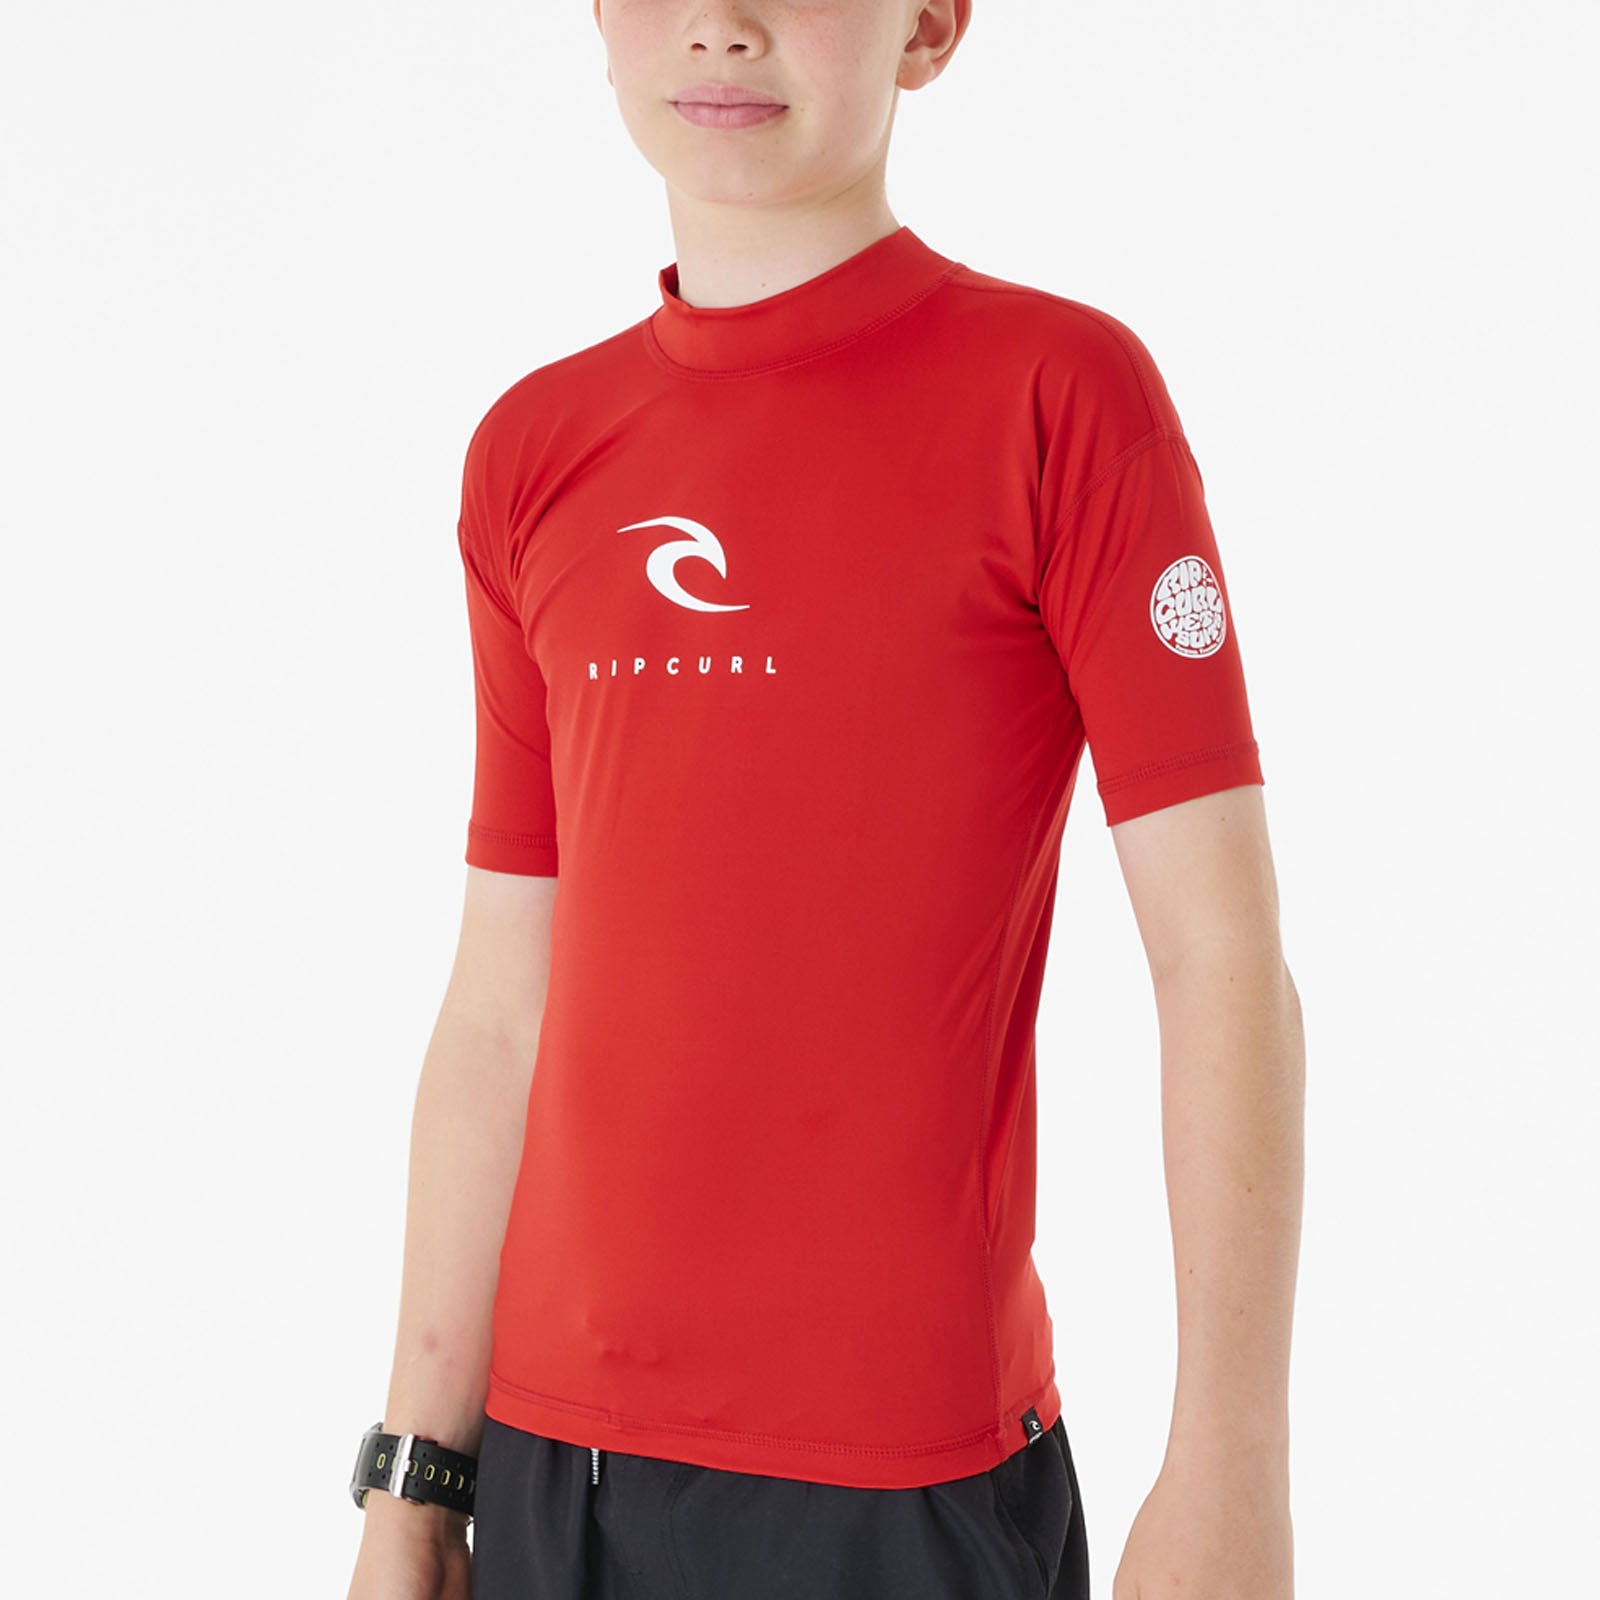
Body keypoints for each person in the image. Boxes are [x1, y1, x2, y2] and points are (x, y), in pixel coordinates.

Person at [344, 2, 1305, 1597]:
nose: (721, 28)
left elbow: (1220, 960)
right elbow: (501, 1010)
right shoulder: (533, 450)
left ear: (928, 24)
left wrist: (1233, 1465)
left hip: (901, 1490)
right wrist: (414, 1479)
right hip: (549, 1467)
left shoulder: (1061, 397)